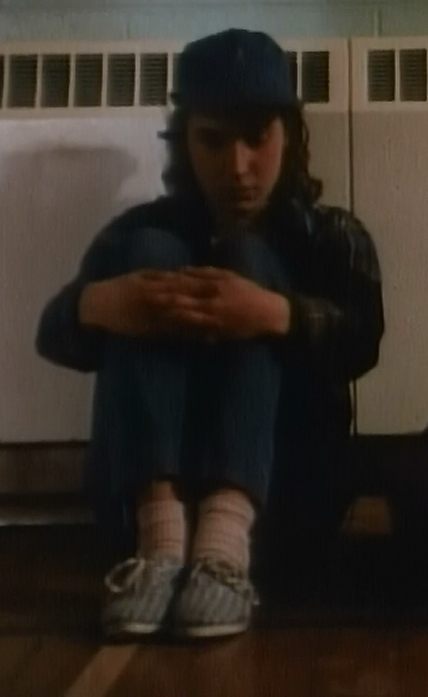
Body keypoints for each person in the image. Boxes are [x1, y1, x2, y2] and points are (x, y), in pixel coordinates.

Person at [36, 29, 384, 640]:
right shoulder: (139, 234)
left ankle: (223, 543)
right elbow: (53, 335)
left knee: (249, 258)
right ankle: (162, 542)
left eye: (257, 138)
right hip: (144, 514)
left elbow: (362, 339)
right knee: (148, 256)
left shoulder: (329, 234)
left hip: (284, 505)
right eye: (214, 140)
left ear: (288, 135)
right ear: (186, 141)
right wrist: (98, 304)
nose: (238, 167)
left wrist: (274, 313)